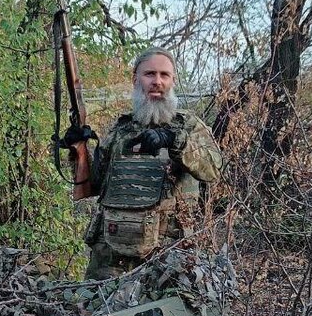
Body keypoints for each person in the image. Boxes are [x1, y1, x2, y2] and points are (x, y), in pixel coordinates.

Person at [64, 47, 223, 280]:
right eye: (149, 74)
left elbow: (213, 169)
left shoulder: (188, 125)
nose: (157, 81)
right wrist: (78, 150)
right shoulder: (120, 130)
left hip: (169, 256)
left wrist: (174, 140)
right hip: (111, 256)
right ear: (135, 79)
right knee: (98, 314)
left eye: (164, 75)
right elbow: (94, 185)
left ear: (172, 81)